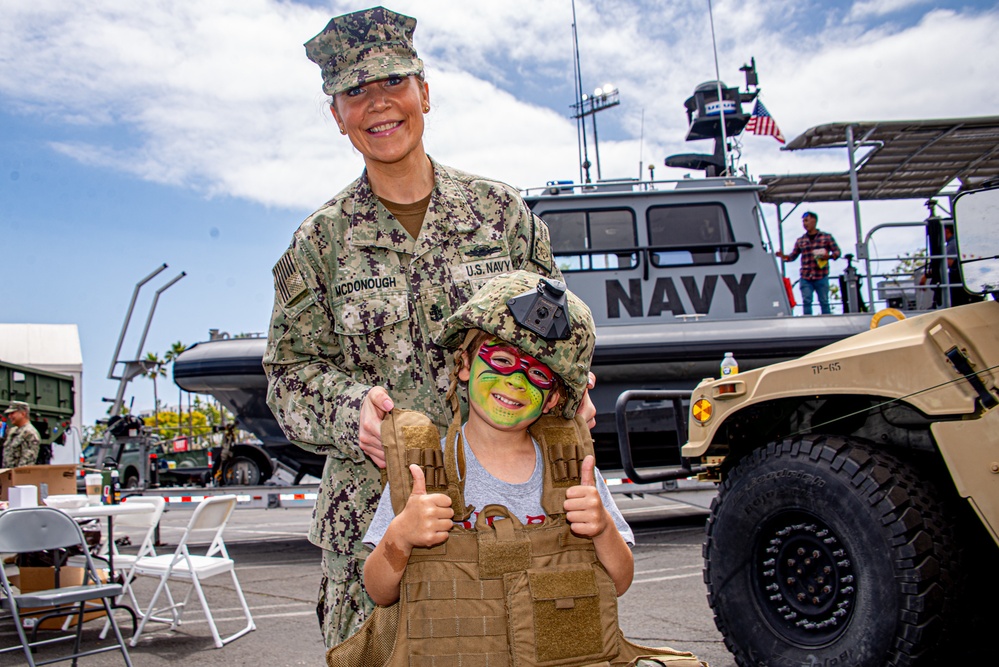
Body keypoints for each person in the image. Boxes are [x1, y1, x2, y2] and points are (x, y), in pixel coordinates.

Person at [262, 6, 587, 649]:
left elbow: (562, 344)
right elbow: (288, 379)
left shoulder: (501, 215)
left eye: (392, 83)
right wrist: (350, 408)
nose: (377, 104)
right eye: (354, 91)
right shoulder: (319, 243)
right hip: (373, 530)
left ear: (424, 92)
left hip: (509, 514)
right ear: (336, 115)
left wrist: (572, 399)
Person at [327, 271, 702, 666]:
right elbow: (379, 590)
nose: (516, 382)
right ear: (466, 364)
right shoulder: (424, 472)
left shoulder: (573, 470)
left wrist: (602, 528)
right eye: (502, 360)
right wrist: (400, 537)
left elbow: (620, 581)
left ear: (554, 395)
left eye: (537, 373)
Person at [777, 211, 841, 315]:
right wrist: (783, 256)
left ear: (814, 221)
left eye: (806, 221)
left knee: (824, 301)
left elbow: (837, 252)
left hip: (821, 275)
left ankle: (828, 322)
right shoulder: (801, 240)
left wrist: (828, 256)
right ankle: (807, 321)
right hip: (806, 277)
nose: (804, 224)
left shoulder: (826, 237)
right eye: (803, 222)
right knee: (806, 301)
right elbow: (793, 256)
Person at [1, 401, 42, 468]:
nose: (9, 416)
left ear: (23, 414)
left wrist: (16, 477)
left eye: (12, 413)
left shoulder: (30, 433)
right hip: (7, 474)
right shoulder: (13, 431)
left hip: (17, 476)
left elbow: (26, 464)